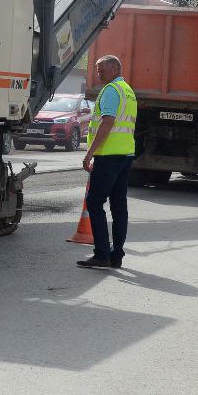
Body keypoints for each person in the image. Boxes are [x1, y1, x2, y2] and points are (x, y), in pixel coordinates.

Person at [77, 54, 137, 269]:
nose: (98, 74)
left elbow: (108, 122)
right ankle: (116, 255)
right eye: (97, 70)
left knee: (94, 202)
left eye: (101, 70)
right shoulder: (128, 91)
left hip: (109, 156)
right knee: (119, 206)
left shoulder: (111, 90)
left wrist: (89, 153)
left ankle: (102, 254)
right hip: (125, 155)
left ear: (114, 69)